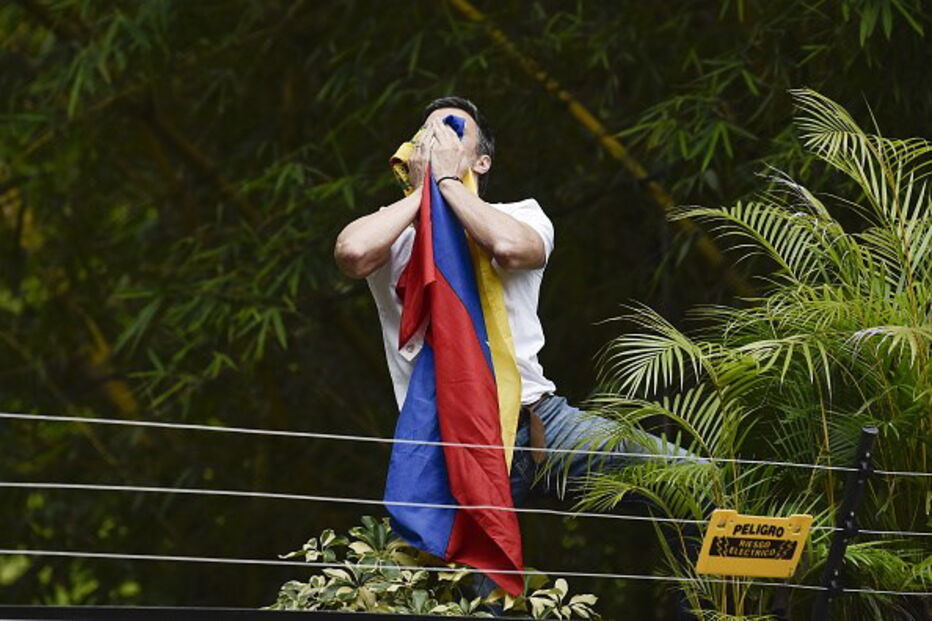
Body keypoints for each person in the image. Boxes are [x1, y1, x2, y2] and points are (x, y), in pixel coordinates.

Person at [333, 96, 707, 619]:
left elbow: (511, 249)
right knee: (478, 605)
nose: (435, 142)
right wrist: (425, 192)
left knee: (696, 483)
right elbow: (352, 254)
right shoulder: (397, 232)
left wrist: (447, 184)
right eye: (425, 135)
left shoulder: (519, 215)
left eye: (451, 131)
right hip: (454, 441)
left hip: (539, 424)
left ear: (481, 161)